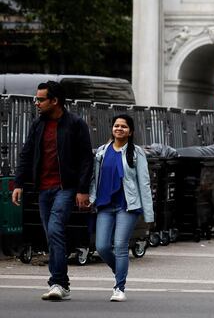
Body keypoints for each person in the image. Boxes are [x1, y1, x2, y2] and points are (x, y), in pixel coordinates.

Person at [11, 81, 93, 301]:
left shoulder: (76, 124)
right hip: (43, 189)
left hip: (65, 188)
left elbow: (87, 158)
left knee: (56, 229)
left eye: (40, 99)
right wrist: (18, 183)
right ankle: (61, 283)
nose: (36, 103)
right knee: (51, 234)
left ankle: (58, 282)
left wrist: (82, 190)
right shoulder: (38, 125)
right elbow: (26, 154)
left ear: (54, 101)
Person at [88, 114, 154, 302]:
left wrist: (149, 214)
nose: (119, 129)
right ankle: (120, 270)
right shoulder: (102, 151)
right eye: (116, 125)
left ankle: (119, 287)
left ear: (130, 131)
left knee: (120, 245)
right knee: (101, 246)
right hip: (105, 205)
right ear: (112, 129)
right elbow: (95, 179)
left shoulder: (137, 152)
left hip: (127, 206)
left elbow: (144, 183)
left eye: (123, 127)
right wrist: (91, 198)